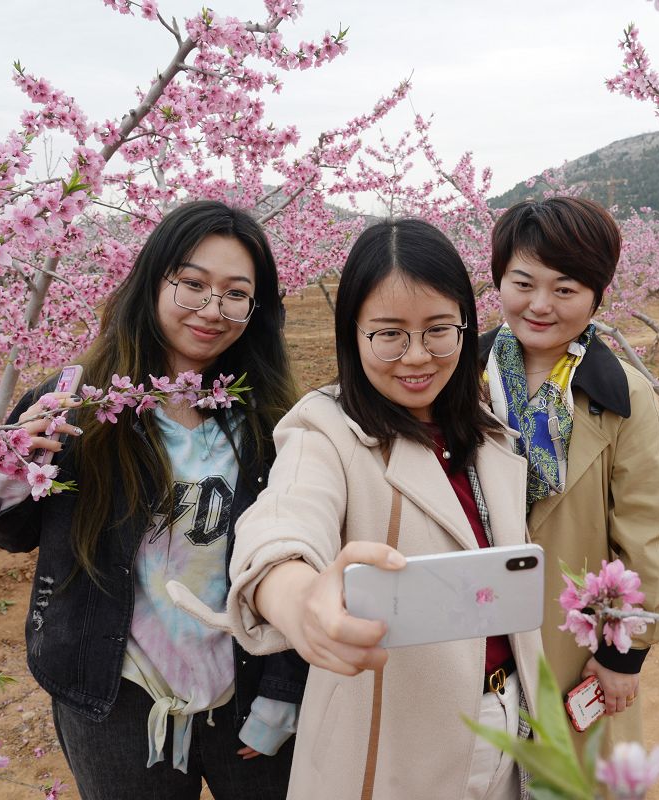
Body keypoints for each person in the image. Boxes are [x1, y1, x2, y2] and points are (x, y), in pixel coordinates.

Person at [171, 218, 542, 800]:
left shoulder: (489, 434)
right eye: (389, 334)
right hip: (396, 744)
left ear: (467, 328)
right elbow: (285, 521)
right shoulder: (326, 430)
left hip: (512, 720)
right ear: (353, 333)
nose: (416, 357)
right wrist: (298, 600)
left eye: (439, 330)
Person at [0, 200, 307, 799]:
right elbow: (9, 532)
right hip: (115, 693)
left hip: (244, 684)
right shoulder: (80, 402)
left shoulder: (272, 420)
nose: (211, 310)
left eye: (235, 294)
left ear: (256, 309)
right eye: (192, 284)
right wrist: (12, 467)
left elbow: (302, 555)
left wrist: (283, 687)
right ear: (153, 281)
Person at [481, 197, 659, 751]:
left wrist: (624, 654)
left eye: (565, 289)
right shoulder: (462, 381)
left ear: (596, 295)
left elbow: (648, 536)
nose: (540, 305)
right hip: (472, 635)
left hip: (570, 642)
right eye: (523, 283)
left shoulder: (624, 398)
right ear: (499, 282)